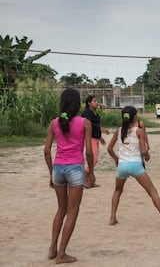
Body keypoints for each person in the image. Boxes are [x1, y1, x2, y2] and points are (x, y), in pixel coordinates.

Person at [107, 106, 160, 227]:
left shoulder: (119, 131)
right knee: (152, 191)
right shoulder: (139, 131)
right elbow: (143, 151)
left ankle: (112, 218)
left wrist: (116, 158)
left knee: (117, 190)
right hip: (135, 165)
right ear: (135, 116)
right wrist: (147, 156)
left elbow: (109, 149)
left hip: (122, 166)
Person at [44, 88, 94, 264]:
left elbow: (46, 151)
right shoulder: (85, 123)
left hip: (58, 168)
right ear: (77, 103)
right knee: (73, 212)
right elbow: (89, 152)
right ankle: (61, 254)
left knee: (61, 210)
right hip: (75, 169)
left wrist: (51, 172)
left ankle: (52, 248)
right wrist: (91, 172)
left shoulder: (54, 123)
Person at [81, 95, 109, 188]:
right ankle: (84, 175)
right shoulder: (87, 113)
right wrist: (102, 129)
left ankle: (90, 181)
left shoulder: (96, 114)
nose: (96, 103)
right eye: (94, 101)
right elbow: (90, 126)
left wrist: (100, 137)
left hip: (95, 137)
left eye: (97, 101)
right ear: (89, 103)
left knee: (94, 159)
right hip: (90, 138)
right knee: (93, 159)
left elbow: (96, 126)